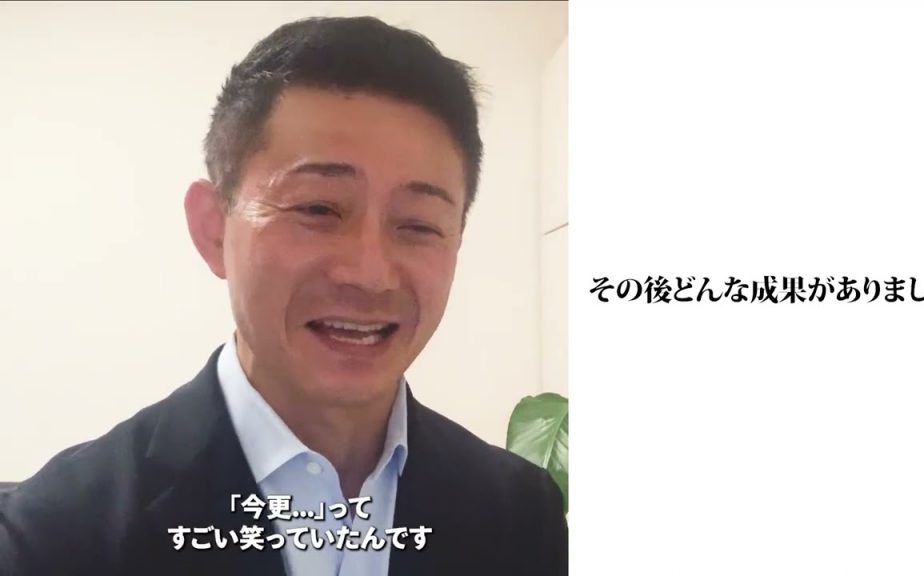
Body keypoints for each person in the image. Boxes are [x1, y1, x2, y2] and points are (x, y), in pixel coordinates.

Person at [0, 16, 567, 576]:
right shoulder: (58, 534)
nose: (370, 274)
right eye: (318, 209)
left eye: (417, 224)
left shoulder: (519, 514)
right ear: (213, 228)